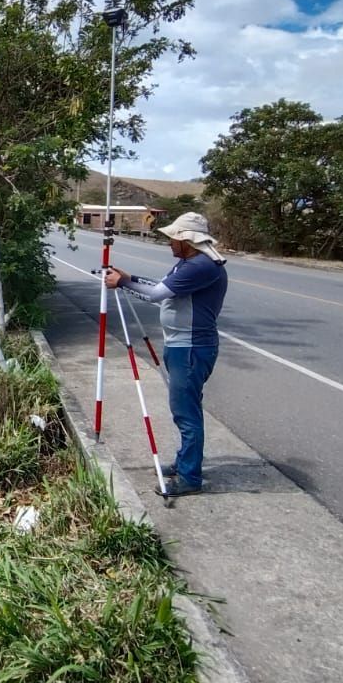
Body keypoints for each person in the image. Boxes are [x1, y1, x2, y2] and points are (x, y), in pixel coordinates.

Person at [105, 212, 228, 497]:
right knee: (185, 410)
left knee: (186, 414)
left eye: (173, 237)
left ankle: (189, 478)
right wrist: (129, 277)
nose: (169, 242)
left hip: (190, 349)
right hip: (183, 346)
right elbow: (163, 288)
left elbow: (156, 294)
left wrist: (122, 283)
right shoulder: (191, 262)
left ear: (187, 240)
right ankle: (186, 463)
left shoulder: (201, 266)